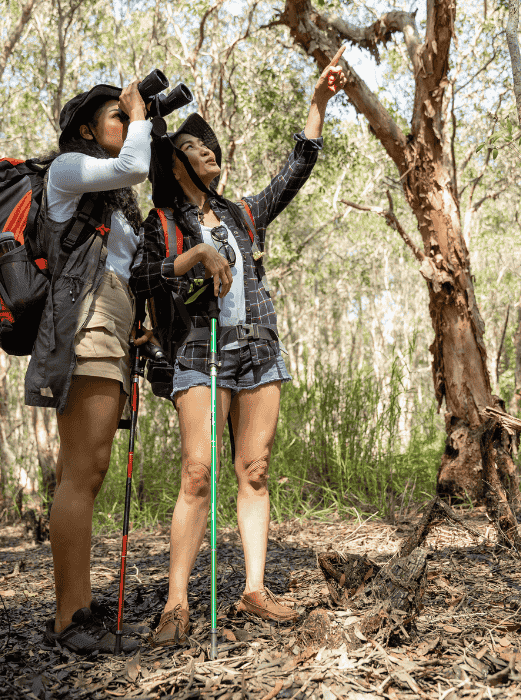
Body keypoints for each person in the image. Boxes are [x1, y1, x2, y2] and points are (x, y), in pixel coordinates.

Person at [132, 49, 348, 647]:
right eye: (200, 149)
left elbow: (293, 173)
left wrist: (318, 103)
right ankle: (177, 604)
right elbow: (144, 279)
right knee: (197, 473)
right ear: (176, 161)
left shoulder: (243, 214)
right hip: (196, 354)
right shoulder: (162, 222)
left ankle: (254, 590)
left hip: (256, 350)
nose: (212, 157)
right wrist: (194, 255)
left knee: (254, 470)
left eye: (216, 152)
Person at [29, 79, 155, 654]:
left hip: (114, 318)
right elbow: (133, 166)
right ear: (85, 129)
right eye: (116, 116)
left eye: (128, 115)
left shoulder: (116, 203)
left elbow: (129, 264)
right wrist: (139, 109)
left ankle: (77, 605)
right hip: (84, 321)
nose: (127, 122)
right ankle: (68, 619)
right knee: (81, 469)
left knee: (94, 467)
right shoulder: (69, 169)